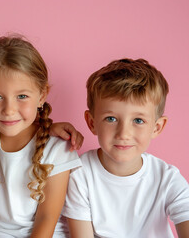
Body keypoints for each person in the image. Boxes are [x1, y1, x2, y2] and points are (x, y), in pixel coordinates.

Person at [0, 35, 82, 238]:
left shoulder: (57, 148)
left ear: (41, 96)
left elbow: (46, 218)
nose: (9, 110)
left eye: (22, 96)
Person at [63, 58, 189, 237]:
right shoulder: (80, 175)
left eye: (138, 120)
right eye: (111, 119)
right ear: (92, 123)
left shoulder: (167, 180)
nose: (124, 134)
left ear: (157, 127)